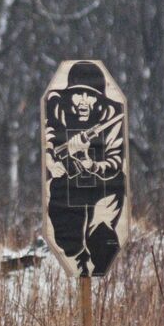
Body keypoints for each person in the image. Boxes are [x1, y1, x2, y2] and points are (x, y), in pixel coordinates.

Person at [43, 61, 127, 276]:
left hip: (104, 187)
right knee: (67, 239)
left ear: (99, 99)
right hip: (68, 189)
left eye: (90, 95)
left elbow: (115, 162)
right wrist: (54, 162)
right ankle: (79, 261)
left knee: (101, 235)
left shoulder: (112, 117)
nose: (83, 102)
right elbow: (50, 139)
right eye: (78, 94)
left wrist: (89, 162)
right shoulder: (57, 110)